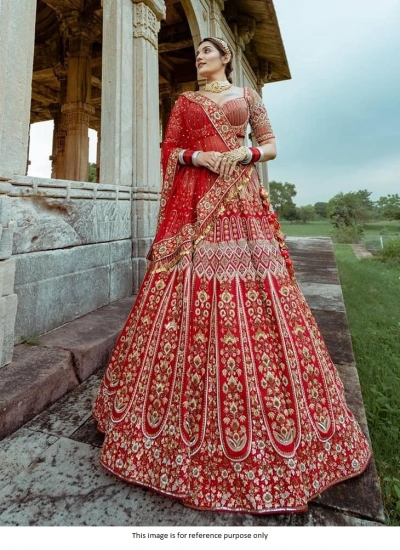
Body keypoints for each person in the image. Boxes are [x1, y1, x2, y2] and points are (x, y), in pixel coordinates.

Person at [93, 37, 371, 514]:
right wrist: (197, 158)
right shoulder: (185, 102)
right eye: (196, 53)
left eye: (207, 52)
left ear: (224, 58)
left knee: (259, 290)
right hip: (198, 201)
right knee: (187, 291)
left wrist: (243, 157)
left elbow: (271, 145)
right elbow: (170, 149)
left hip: (240, 198)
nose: (199, 58)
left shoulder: (248, 97)